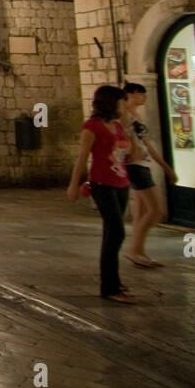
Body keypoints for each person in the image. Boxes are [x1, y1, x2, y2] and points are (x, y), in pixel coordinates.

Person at [66, 85, 134, 303]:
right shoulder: (91, 127)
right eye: (121, 101)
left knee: (111, 233)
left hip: (121, 182)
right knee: (117, 233)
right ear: (110, 102)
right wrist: (74, 185)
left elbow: (129, 153)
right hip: (102, 184)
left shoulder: (117, 125)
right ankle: (109, 286)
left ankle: (113, 280)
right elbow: (82, 157)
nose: (124, 104)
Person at [122, 82, 176, 268]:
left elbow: (148, 145)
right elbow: (124, 139)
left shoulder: (137, 116)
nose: (144, 97)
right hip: (135, 165)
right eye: (141, 94)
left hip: (142, 164)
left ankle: (139, 251)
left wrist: (165, 167)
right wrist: (132, 149)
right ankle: (134, 250)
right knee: (156, 210)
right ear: (132, 94)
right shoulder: (124, 115)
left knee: (142, 211)